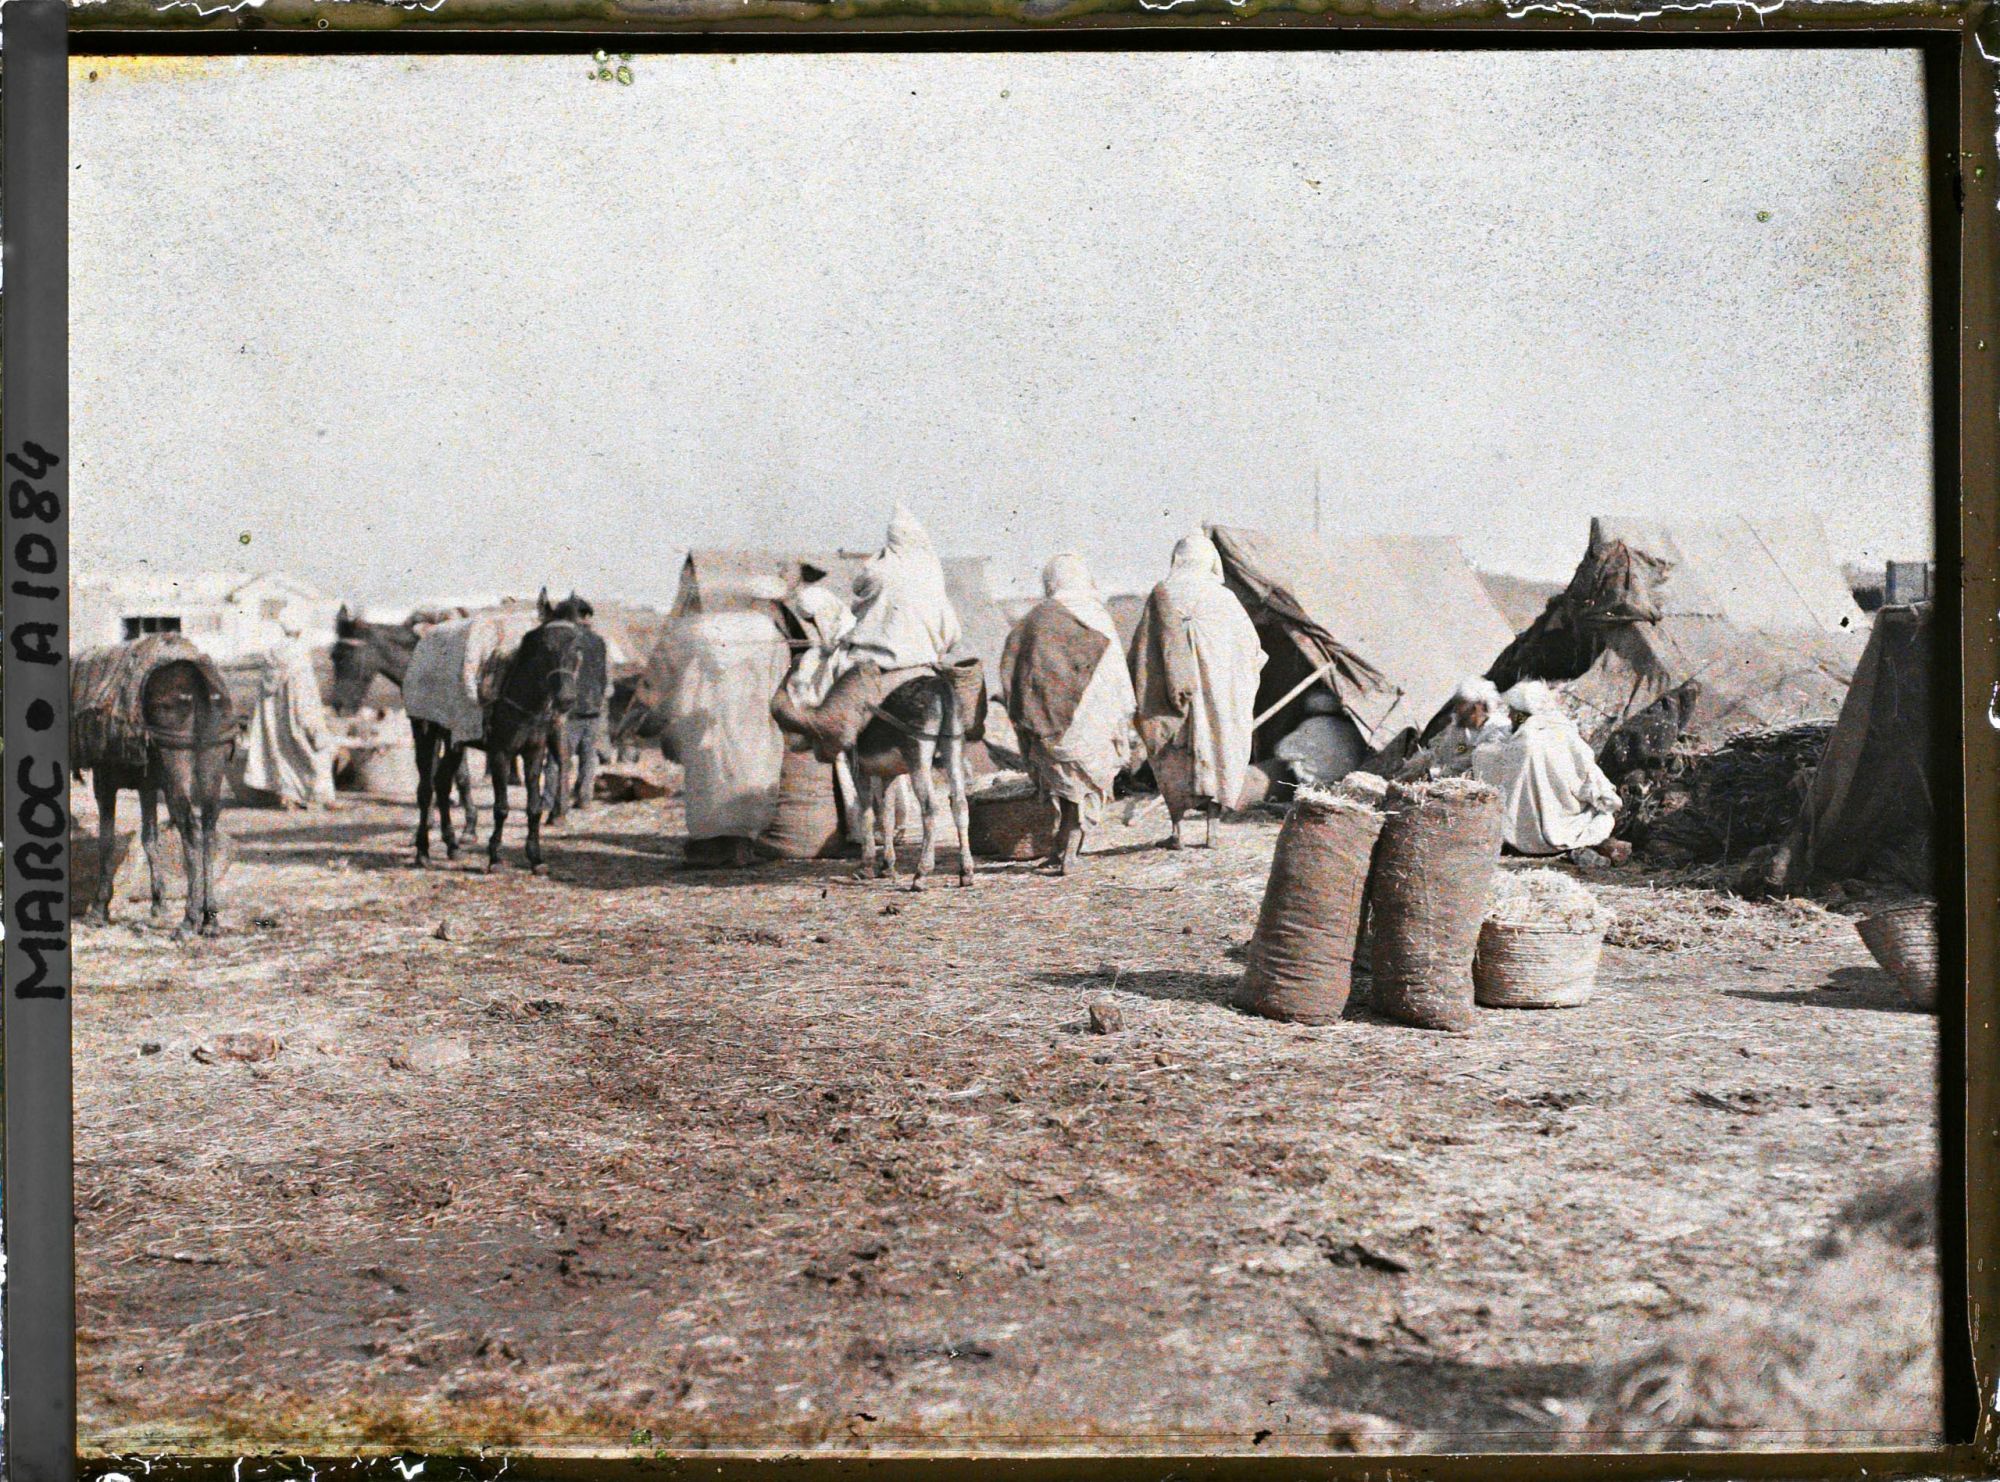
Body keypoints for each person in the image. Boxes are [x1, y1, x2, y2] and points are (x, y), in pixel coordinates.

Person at [771, 503, 963, 761]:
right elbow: (951, 629)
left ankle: (819, 731)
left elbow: (859, 590)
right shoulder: (932, 571)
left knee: (823, 673)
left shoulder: (879, 568)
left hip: (881, 655)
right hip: (927, 656)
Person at [1001, 553, 1138, 875]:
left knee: (1063, 784)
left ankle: (1065, 847)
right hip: (1093, 716)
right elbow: (1116, 674)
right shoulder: (1098, 616)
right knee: (1083, 784)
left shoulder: (1037, 617)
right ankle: (1069, 848)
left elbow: (1017, 667)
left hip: (1049, 718)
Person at [1127, 532, 1266, 848]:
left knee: (1172, 754)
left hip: (1169, 698)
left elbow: (1141, 651)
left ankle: (1177, 831)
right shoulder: (1224, 600)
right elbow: (1251, 649)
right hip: (1217, 698)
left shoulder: (1162, 595)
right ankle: (1211, 831)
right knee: (1218, 749)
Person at [1471, 680, 1622, 856]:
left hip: (1523, 837)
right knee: (1602, 820)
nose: (1510, 717)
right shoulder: (1564, 732)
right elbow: (1594, 781)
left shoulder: (1521, 742)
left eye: (1512, 712)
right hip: (1567, 825)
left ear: (1521, 713)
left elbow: (1490, 760)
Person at [234, 630, 337, 809]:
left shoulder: (271, 658)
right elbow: (305, 697)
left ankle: (289, 797)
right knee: (316, 753)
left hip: (276, 723)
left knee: (282, 755)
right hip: (298, 717)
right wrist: (314, 724)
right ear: (300, 632)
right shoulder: (299, 657)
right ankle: (318, 798)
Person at [1399, 676, 1512, 782]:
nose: (1457, 710)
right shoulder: (1460, 729)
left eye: (1461, 705)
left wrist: (1433, 774)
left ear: (1478, 707)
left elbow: (1470, 765)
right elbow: (1445, 753)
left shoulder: (1498, 731)